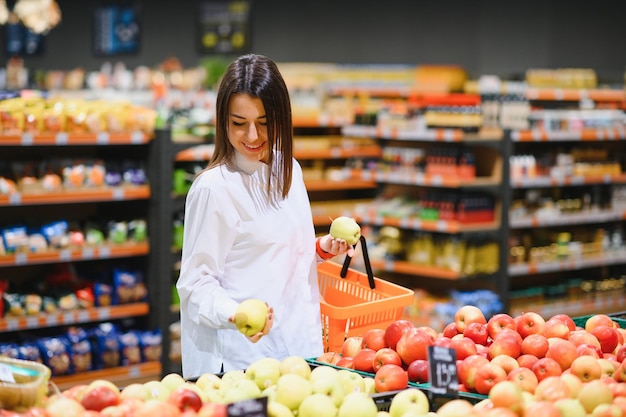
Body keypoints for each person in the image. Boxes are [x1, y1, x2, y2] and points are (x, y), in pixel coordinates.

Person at [176, 53, 355, 378]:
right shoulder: (214, 188)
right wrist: (236, 313)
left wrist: (322, 249)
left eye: (264, 122)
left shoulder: (289, 171)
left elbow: (269, 257)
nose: (253, 137)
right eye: (239, 124)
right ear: (222, 122)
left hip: (297, 351)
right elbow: (195, 285)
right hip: (240, 361)